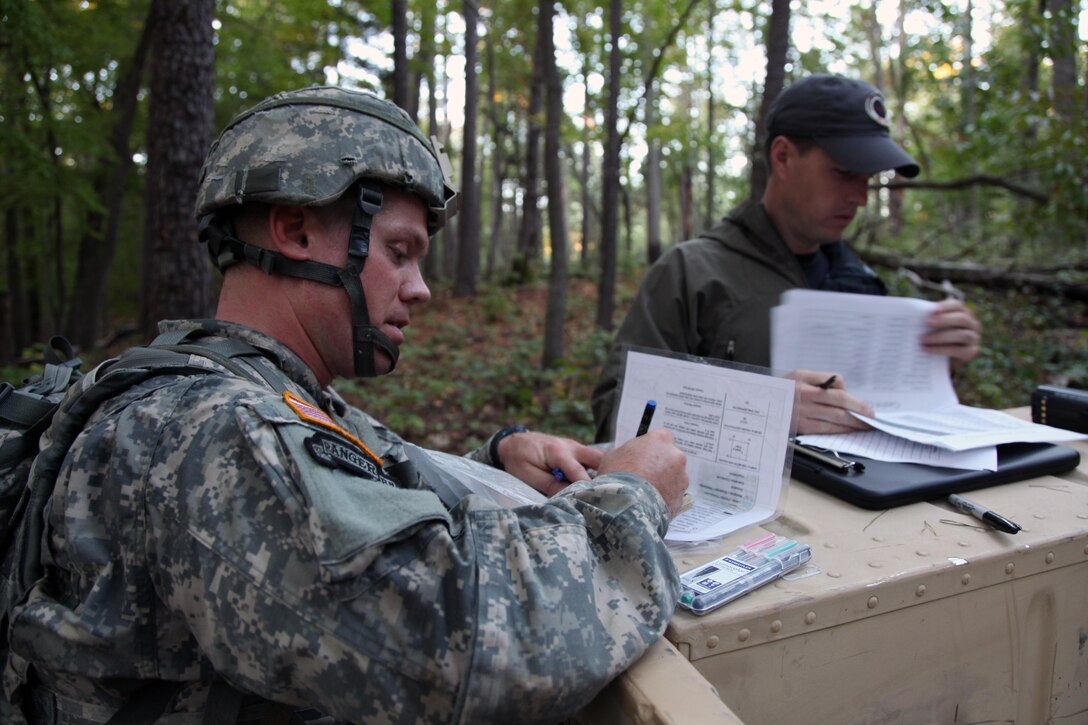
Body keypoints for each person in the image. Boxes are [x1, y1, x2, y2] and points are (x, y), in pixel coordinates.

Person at [6, 86, 689, 724]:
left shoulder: (258, 388)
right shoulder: (216, 431)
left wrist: (499, 458)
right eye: (400, 251)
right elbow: (467, 645)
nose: (419, 288)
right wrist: (632, 496)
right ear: (296, 232)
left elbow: (355, 497)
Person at [592, 73, 982, 442]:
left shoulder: (859, 281)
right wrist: (761, 410)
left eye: (867, 179)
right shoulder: (692, 274)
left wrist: (935, 364)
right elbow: (617, 422)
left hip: (860, 508)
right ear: (782, 157)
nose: (861, 197)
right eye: (844, 173)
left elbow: (880, 413)